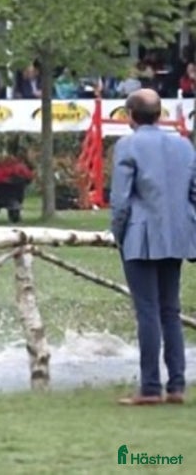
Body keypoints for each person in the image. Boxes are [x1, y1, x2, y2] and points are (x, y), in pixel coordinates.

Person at [109, 88, 195, 405]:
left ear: (130, 115)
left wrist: (117, 233)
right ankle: (176, 385)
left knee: (147, 311)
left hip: (140, 236)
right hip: (177, 235)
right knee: (170, 311)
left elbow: (120, 200)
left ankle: (149, 387)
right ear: (159, 114)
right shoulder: (183, 144)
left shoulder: (128, 145)